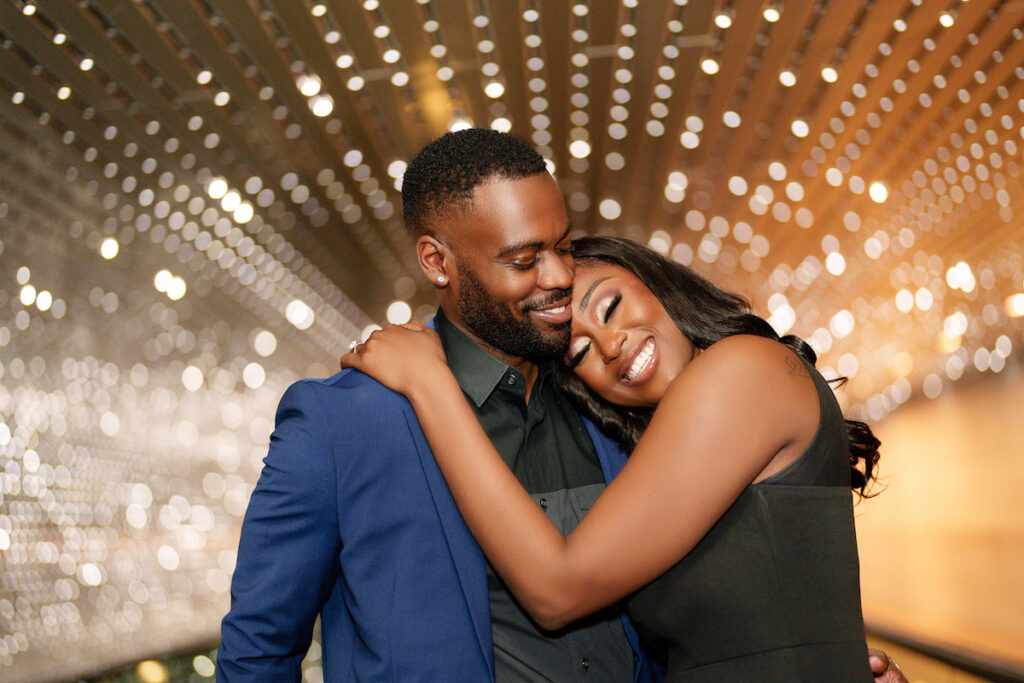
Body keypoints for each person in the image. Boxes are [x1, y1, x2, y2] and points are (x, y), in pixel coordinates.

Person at [220, 128, 904, 682]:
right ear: (437, 261)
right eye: (525, 259)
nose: (557, 275)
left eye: (565, 247)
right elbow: (258, 650)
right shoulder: (343, 420)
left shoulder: (617, 417)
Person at [340, 233, 885, 681]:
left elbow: (558, 589)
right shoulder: (666, 454)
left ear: (657, 281)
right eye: (578, 351)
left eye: (611, 305)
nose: (611, 344)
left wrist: (430, 383)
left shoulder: (742, 370)